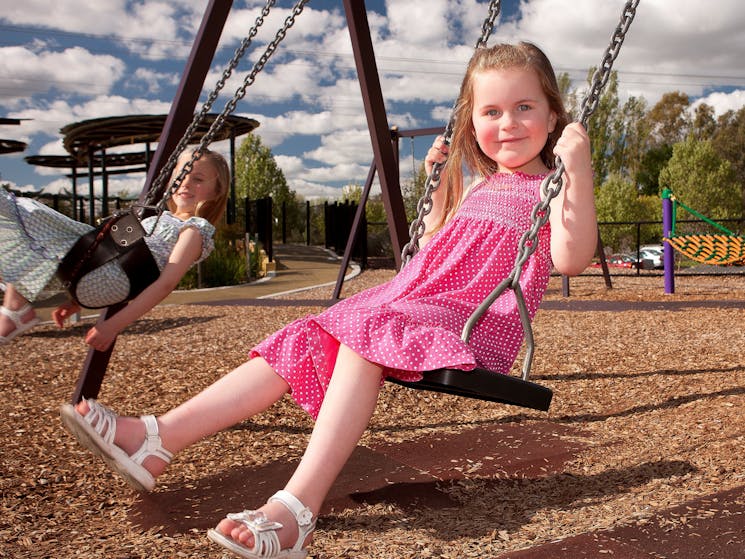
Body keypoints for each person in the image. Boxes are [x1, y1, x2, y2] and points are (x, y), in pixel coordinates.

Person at [60, 41, 597, 558]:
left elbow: (571, 258)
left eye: (524, 107)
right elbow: (434, 249)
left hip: (471, 322)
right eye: (492, 111)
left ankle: (296, 510)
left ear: (554, 118)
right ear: (471, 123)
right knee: (307, 332)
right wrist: (434, 196)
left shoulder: (552, 188)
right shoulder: (479, 185)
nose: (507, 124)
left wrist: (579, 170)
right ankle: (158, 439)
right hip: (417, 300)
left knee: (365, 330)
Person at [0, 148, 229, 350]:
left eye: (198, 179)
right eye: (180, 175)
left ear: (217, 191)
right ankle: (17, 307)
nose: (185, 183)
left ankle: (14, 312)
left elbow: (165, 284)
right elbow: (114, 250)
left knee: (29, 212)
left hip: (114, 276)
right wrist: (76, 302)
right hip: (103, 269)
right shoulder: (161, 217)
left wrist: (113, 326)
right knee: (33, 240)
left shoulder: (194, 230)